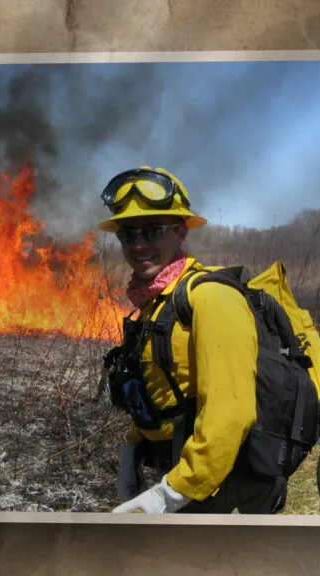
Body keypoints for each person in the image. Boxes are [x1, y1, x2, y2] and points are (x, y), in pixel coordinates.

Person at [98, 166, 287, 515]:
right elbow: (165, 395)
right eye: (127, 234)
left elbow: (230, 415)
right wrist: (133, 449)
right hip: (181, 473)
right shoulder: (156, 305)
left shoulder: (211, 299)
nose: (139, 244)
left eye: (153, 230)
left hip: (221, 485)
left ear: (181, 232)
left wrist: (169, 495)